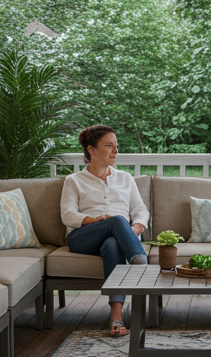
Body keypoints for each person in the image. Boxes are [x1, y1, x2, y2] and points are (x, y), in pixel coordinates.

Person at [60, 125, 149, 336]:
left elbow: (140, 210)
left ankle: (116, 318)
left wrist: (135, 228)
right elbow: (68, 215)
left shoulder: (125, 178)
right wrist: (93, 220)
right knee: (117, 220)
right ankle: (140, 261)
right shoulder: (73, 181)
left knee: (112, 242)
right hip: (83, 238)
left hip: (118, 238)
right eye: (109, 146)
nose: (115, 151)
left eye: (116, 146)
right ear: (91, 150)